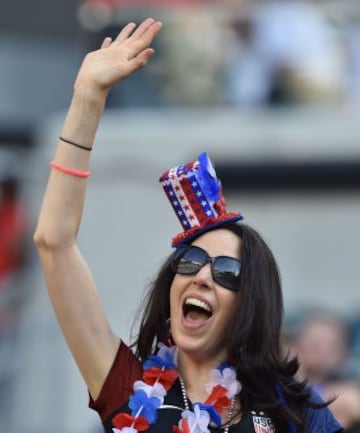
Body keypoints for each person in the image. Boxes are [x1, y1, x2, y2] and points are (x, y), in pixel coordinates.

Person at [33, 18, 343, 433]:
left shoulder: (291, 407)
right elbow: (54, 243)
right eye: (191, 260)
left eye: (226, 272)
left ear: (251, 304)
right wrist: (88, 97)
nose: (200, 276)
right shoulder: (129, 389)